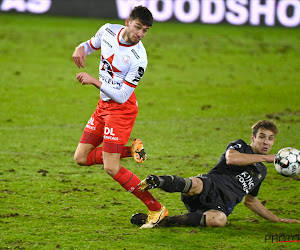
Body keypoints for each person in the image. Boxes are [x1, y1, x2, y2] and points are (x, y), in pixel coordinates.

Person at [72, 5, 168, 229]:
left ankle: (156, 209)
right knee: (81, 158)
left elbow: (123, 96)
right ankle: (130, 149)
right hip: (103, 106)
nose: (140, 34)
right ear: (127, 22)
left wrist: (94, 81)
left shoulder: (139, 58)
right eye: (137, 27)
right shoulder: (107, 31)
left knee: (111, 167)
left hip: (121, 110)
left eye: (145, 31)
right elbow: (90, 45)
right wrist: (80, 48)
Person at [131, 120, 300, 228]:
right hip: (210, 185)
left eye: (270, 138)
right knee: (196, 184)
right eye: (262, 137)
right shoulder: (240, 146)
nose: (266, 142)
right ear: (253, 138)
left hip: (222, 204)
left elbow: (251, 201)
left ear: (274, 142)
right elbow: (231, 159)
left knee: (219, 220)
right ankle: (156, 181)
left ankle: (164, 221)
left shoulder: (261, 171)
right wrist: (265, 158)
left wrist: (276, 219)